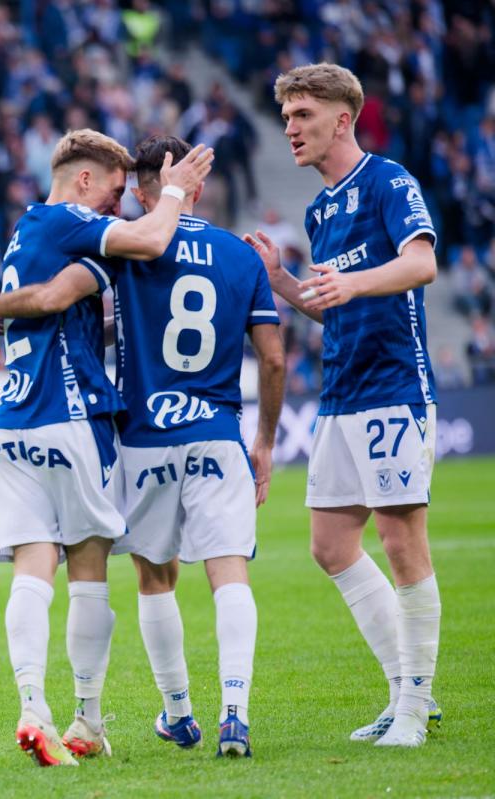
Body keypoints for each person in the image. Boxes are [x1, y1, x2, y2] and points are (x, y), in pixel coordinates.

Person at [0, 135, 285, 757]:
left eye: (127, 194)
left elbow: (52, 299)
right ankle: (212, 714)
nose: (117, 206)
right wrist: (265, 440)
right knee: (209, 571)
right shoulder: (229, 253)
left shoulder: (46, 234)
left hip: (76, 428)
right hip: (182, 427)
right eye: (112, 193)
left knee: (124, 573)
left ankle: (135, 708)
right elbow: (273, 358)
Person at [245, 63, 442, 748]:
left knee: (401, 542)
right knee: (330, 546)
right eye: (286, 117)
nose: (291, 128)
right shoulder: (320, 210)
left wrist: (353, 283)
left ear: (342, 118)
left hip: (392, 387)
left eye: (303, 115)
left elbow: (422, 264)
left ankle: (413, 710)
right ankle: (405, 691)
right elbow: (333, 306)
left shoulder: (389, 181)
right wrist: (283, 283)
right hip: (340, 394)